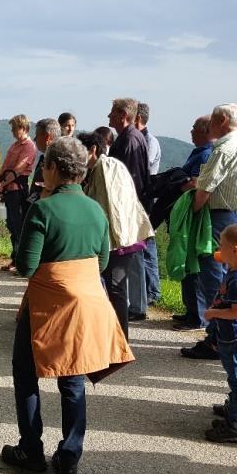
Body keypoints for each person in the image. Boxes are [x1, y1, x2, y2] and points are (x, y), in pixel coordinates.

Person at [1, 136, 134, 474]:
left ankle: (31, 450)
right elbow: (102, 262)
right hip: (85, 304)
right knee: (73, 378)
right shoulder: (96, 210)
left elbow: (26, 266)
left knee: (26, 373)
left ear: (54, 168)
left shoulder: (43, 209)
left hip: (46, 304)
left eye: (45, 165)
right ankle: (70, 456)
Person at [179, 103, 237, 356]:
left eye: (212, 120)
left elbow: (205, 187)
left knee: (213, 275)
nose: (209, 125)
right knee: (229, 273)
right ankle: (226, 335)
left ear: (222, 120)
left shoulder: (223, 148)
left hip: (216, 216)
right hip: (234, 214)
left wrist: (192, 212)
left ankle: (215, 338)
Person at [80, 131, 151, 342]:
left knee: (115, 288)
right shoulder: (99, 168)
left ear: (92, 149)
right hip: (117, 237)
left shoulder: (106, 166)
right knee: (111, 288)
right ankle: (112, 337)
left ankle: (120, 341)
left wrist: (109, 240)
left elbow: (110, 205)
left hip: (118, 239)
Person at [202, 224, 237, 444]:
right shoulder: (235, 271)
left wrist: (213, 313)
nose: (219, 249)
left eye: (222, 246)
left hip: (235, 337)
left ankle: (235, 426)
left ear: (234, 250)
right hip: (232, 335)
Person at [106, 98, 151, 321]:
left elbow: (128, 178)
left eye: (112, 113)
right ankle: (133, 304)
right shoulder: (129, 137)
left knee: (132, 256)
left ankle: (136, 306)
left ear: (123, 115)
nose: (109, 116)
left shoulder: (130, 140)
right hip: (129, 205)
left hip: (128, 206)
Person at [175, 115, 217, 328]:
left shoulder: (206, 154)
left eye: (194, 128)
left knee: (196, 264)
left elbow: (196, 184)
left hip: (196, 213)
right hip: (191, 212)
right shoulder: (200, 152)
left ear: (205, 131)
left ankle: (197, 315)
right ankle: (191, 310)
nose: (191, 132)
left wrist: (181, 186)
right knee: (189, 261)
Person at [0, 114, 37, 274]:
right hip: (7, 189)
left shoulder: (29, 146)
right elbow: (5, 165)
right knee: (11, 225)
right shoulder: (14, 145)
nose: (12, 131)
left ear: (24, 128)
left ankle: (21, 261)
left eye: (15, 128)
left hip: (18, 189)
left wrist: (2, 183)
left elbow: (18, 169)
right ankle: (15, 258)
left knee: (19, 226)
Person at [135, 101, 162, 311]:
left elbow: (143, 167)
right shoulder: (139, 139)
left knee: (147, 245)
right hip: (138, 199)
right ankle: (145, 288)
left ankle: (153, 291)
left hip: (145, 199)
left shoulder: (150, 141)